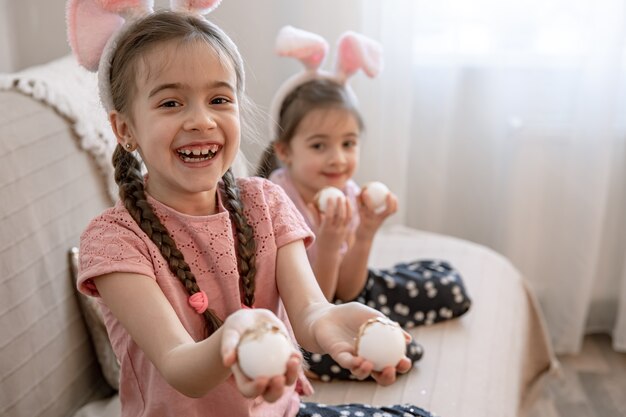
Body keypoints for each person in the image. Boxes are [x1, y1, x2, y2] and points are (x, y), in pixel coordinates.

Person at [68, 1, 436, 416]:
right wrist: (235, 337)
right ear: (125, 129)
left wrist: (333, 322)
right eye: (171, 103)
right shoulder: (114, 242)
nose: (201, 120)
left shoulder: (266, 203)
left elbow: (310, 311)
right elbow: (179, 365)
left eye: (219, 99)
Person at [257, 26, 472, 381]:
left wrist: (367, 232)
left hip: (345, 292)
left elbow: (350, 287)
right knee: (401, 351)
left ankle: (383, 321)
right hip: (305, 316)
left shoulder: (345, 192)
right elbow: (319, 303)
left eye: (348, 143)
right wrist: (326, 245)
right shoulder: (277, 203)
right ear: (285, 151)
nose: (337, 159)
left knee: (448, 281)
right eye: (319, 145)